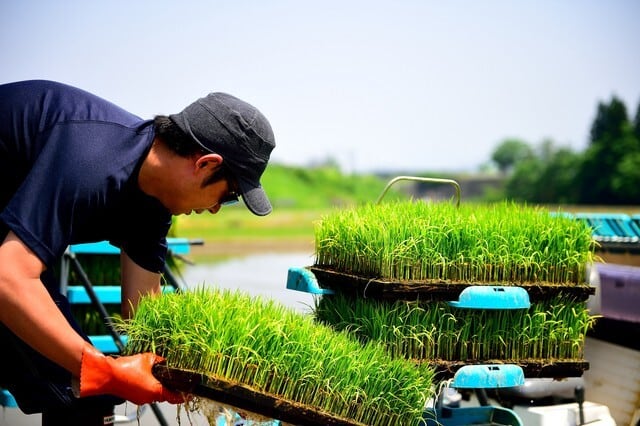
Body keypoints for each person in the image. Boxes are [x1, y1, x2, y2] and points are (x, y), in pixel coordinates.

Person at [0, 80, 276, 425]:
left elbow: (142, 314)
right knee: (85, 384)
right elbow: (7, 280)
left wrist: (217, 377)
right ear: (206, 164)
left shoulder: (155, 204)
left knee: (88, 393)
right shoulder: (92, 159)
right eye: (230, 194)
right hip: (8, 262)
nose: (217, 208)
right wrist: (107, 372)